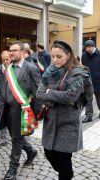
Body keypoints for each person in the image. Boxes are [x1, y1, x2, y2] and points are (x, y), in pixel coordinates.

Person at [36, 40, 91, 180]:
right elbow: (39, 94)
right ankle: (67, 173)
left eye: (59, 57)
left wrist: (49, 92)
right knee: (48, 152)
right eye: (52, 56)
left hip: (68, 121)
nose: (54, 60)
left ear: (68, 55)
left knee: (63, 158)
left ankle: (66, 175)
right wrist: (52, 95)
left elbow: (70, 96)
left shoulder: (78, 72)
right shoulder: (50, 70)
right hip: (51, 120)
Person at [0, 42, 40, 180]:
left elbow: (38, 92)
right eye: (10, 50)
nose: (11, 53)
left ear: (23, 52)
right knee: (16, 136)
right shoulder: (8, 68)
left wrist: (35, 113)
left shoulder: (31, 68)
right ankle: (31, 151)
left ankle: (13, 169)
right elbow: (4, 89)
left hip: (22, 111)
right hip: (8, 110)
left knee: (16, 139)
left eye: (15, 50)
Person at [81, 39, 100, 123]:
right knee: (88, 99)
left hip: (98, 81)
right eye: (86, 48)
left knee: (99, 99)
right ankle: (89, 116)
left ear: (93, 47)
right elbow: (83, 67)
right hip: (87, 81)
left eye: (88, 48)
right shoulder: (84, 55)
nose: (87, 49)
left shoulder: (99, 55)